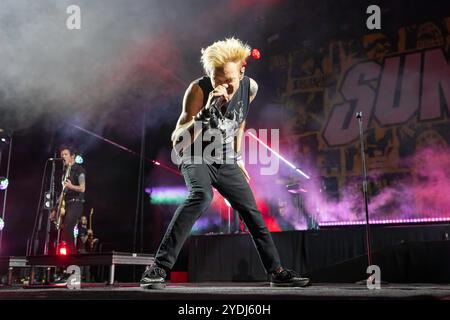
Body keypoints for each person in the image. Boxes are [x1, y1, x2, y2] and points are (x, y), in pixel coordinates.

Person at [140, 38, 310, 289]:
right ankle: (159, 268)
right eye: (218, 81)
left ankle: (276, 271)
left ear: (243, 69)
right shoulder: (198, 90)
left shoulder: (250, 88)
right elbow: (178, 141)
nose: (225, 89)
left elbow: (239, 121)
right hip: (195, 155)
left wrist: (237, 157)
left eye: (229, 82)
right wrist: (205, 115)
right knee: (201, 196)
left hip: (225, 158)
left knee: (252, 211)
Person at [58, 145, 86, 253]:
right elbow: (63, 192)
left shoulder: (79, 170)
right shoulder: (65, 172)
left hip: (76, 203)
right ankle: (68, 256)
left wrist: (71, 186)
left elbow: (82, 188)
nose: (63, 157)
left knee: (68, 227)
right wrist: (56, 208)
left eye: (65, 154)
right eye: (62, 155)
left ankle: (72, 257)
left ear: (72, 156)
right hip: (67, 204)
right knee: (63, 229)